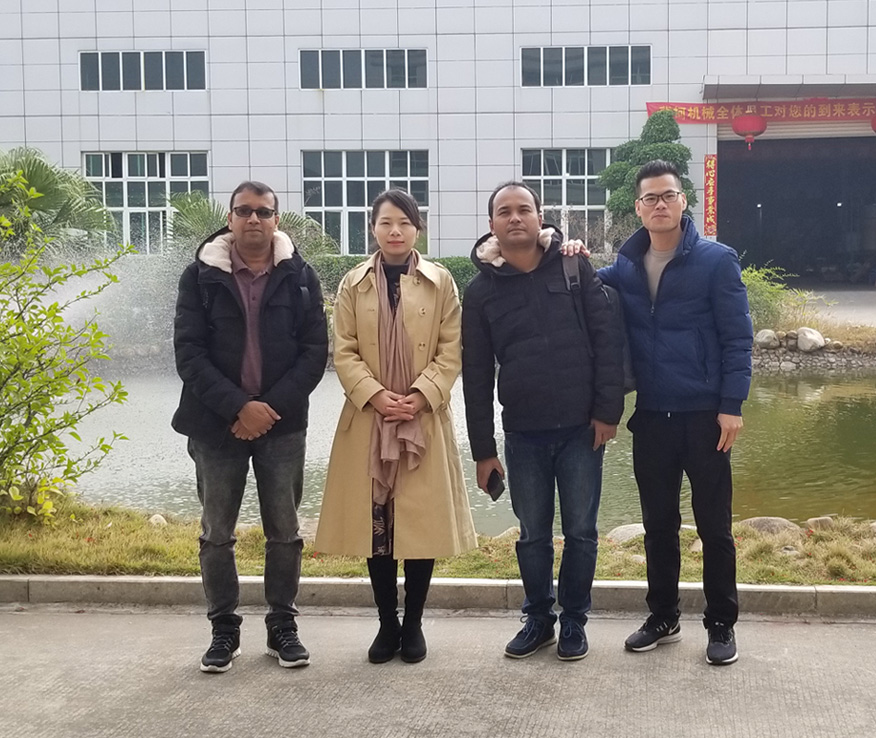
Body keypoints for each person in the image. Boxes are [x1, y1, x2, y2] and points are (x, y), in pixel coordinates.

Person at [596, 160, 753, 666]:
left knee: (715, 527)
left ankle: (721, 623)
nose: (659, 204)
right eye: (650, 198)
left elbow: (738, 338)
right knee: (658, 526)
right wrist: (561, 245)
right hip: (652, 416)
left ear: (683, 201)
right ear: (638, 208)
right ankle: (663, 616)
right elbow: (578, 278)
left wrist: (731, 406)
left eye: (668, 195)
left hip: (706, 417)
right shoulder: (625, 267)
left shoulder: (716, 260)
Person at [461, 181, 624, 661]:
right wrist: (483, 450)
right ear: (491, 225)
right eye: (504, 211)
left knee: (580, 532)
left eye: (524, 209)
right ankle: (538, 619)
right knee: (533, 534)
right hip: (523, 434)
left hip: (581, 430)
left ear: (539, 217)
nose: (515, 218)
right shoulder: (481, 291)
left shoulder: (573, 266)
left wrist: (607, 412)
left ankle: (574, 620)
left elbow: (606, 342)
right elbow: (475, 374)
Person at [314, 188, 477, 664]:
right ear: (373, 228)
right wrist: (376, 395)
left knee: (420, 522)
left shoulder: (440, 282)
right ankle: (387, 623)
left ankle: (414, 624)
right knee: (378, 525)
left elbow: (451, 348)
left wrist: (421, 395)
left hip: (422, 417)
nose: (395, 231)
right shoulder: (354, 283)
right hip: (371, 417)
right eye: (386, 222)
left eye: (404, 223)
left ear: (417, 229)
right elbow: (344, 350)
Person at [172, 180, 329, 673]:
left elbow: (314, 353)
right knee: (216, 533)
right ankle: (223, 630)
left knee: (284, 531)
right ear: (230, 218)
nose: (253, 219)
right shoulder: (199, 278)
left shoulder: (300, 277)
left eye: (263, 211)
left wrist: (267, 409)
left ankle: (283, 627)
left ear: (276, 219)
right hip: (215, 426)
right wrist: (239, 408)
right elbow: (189, 354)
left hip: (281, 426)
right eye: (244, 211)